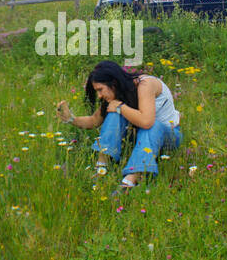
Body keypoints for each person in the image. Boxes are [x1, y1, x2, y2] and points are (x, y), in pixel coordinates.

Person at [60, 58, 181, 189]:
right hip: (142, 138)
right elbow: (94, 120)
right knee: (114, 111)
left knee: (149, 123)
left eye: (100, 89)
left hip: (169, 136)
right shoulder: (117, 94)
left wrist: (120, 107)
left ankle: (131, 180)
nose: (99, 95)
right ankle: (102, 167)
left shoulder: (145, 85)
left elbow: (146, 122)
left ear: (114, 83)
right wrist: (71, 119)